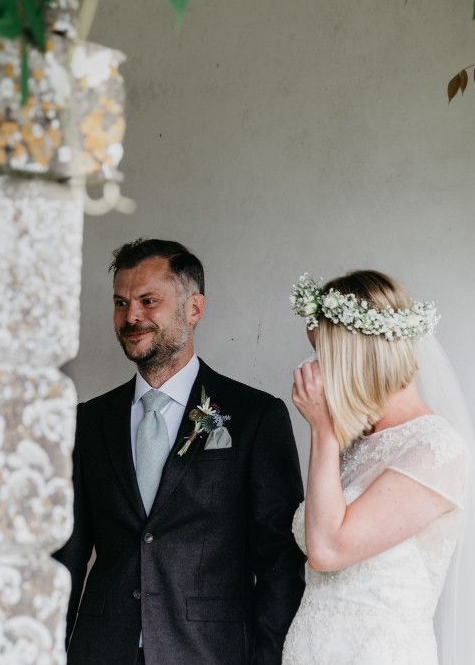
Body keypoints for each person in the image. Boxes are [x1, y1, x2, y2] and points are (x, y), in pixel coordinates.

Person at [53, 239, 306, 665]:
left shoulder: (255, 417)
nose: (130, 316)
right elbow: (68, 552)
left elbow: (280, 559)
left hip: (211, 652)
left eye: (148, 301)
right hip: (101, 650)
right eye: (120, 303)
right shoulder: (89, 421)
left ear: (194, 308)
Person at [282, 270, 475, 664]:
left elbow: (327, 549)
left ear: (357, 358)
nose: (314, 369)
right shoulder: (354, 445)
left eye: (323, 357)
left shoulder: (435, 449)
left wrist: (322, 432)